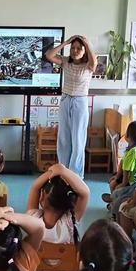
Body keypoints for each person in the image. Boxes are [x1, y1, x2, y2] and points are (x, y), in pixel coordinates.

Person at [27, 163, 89, 271]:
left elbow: (35, 187)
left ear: (42, 198)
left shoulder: (33, 220)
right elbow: (85, 192)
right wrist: (63, 171)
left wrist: (50, 172)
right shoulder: (70, 221)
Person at [45, 35, 97, 177]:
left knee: (78, 139)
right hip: (65, 100)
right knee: (63, 138)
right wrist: (65, 42)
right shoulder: (65, 61)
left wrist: (86, 43)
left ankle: (75, 175)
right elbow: (49, 55)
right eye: (73, 48)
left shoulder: (88, 66)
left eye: (79, 48)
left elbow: (94, 61)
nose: (75, 50)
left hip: (80, 102)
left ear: (84, 50)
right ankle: (63, 171)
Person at [102, 121, 136, 204]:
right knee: (114, 182)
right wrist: (117, 176)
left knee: (113, 185)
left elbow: (126, 169)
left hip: (130, 180)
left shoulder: (133, 151)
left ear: (129, 136)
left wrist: (122, 183)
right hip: (133, 178)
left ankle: (113, 201)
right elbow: (123, 164)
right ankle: (113, 200)